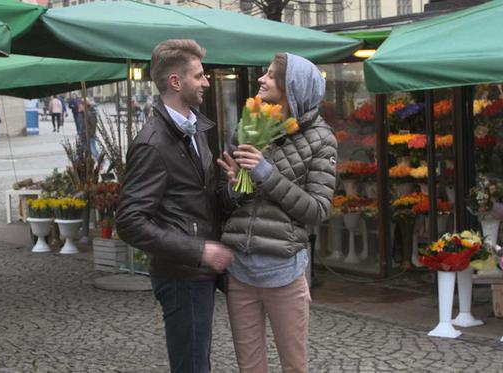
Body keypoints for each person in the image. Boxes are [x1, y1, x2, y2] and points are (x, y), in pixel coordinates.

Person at [115, 39, 234, 373]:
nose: (207, 82)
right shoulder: (152, 144)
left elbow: (205, 200)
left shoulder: (195, 130)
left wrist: (241, 185)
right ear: (175, 82)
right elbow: (129, 221)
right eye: (199, 76)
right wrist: (198, 251)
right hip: (181, 275)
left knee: (198, 363)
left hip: (199, 273)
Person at [217, 53, 337, 373]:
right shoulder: (249, 126)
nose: (261, 79)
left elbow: (317, 210)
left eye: (270, 76)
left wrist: (266, 174)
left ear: (291, 87)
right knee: (249, 367)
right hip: (240, 269)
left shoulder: (321, 138)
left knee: (293, 367)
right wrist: (233, 187)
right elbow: (230, 203)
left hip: (284, 272)